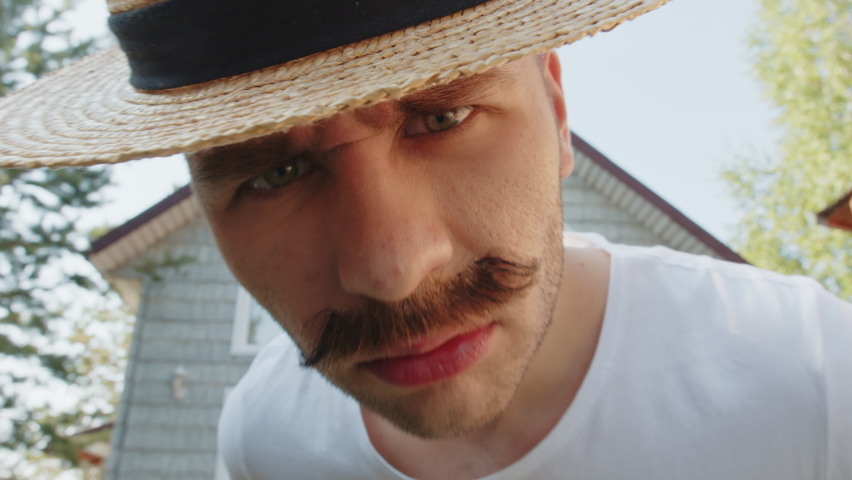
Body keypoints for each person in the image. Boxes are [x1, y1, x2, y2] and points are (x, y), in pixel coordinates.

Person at [0, 1, 850, 479]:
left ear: (556, 112)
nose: (391, 271)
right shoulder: (265, 441)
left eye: (442, 118)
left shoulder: (815, 386)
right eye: (274, 176)